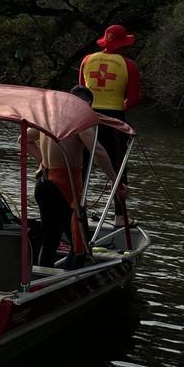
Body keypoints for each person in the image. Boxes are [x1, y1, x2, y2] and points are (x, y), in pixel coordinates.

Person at [27, 87, 126, 269]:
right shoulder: (80, 118)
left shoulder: (50, 117)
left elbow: (23, 139)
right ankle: (67, 282)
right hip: (66, 188)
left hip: (43, 183)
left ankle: (44, 280)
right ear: (88, 104)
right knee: (80, 246)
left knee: (50, 240)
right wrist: (115, 180)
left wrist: (43, 161)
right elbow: (97, 151)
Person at [79, 24, 141, 226]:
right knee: (118, 166)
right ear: (123, 44)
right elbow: (133, 99)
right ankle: (120, 217)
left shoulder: (87, 60)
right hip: (115, 118)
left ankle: (78, 210)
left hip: (87, 115)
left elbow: (80, 92)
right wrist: (117, 107)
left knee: (83, 165)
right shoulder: (129, 65)